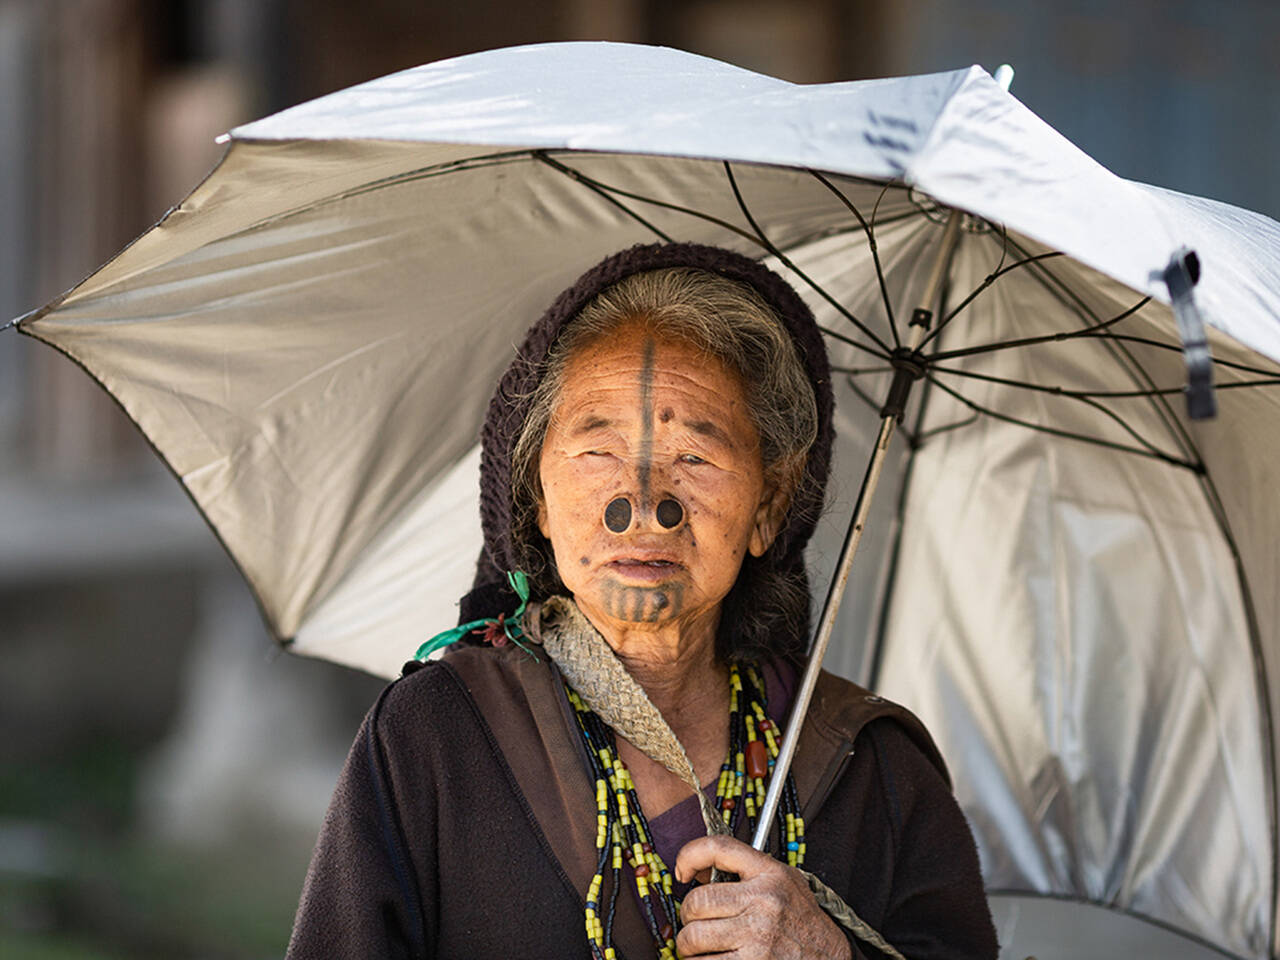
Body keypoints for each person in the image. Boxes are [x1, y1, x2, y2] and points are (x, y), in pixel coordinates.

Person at [286, 243, 998, 959]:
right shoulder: (438, 738)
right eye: (598, 451)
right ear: (536, 497)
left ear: (770, 505)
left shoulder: (873, 769)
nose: (645, 506)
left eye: (695, 456)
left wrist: (830, 954)